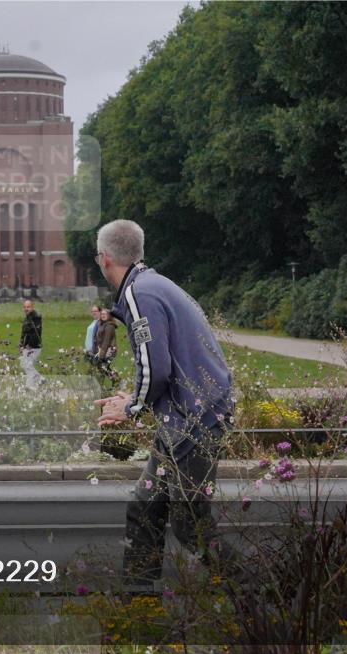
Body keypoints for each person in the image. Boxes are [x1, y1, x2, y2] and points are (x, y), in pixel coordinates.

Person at [91, 219, 233, 588]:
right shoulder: (156, 285)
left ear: (104, 259)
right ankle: (138, 605)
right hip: (186, 420)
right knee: (144, 508)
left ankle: (263, 594)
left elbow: (157, 366)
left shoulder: (140, 292)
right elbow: (168, 363)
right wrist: (137, 398)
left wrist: (133, 407)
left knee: (191, 527)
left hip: (194, 424)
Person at [19, 300, 44, 388]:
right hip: (26, 347)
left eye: (28, 307)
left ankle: (30, 387)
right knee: (23, 364)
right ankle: (40, 379)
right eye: (25, 307)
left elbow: (35, 332)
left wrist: (29, 345)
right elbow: (23, 334)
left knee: (28, 366)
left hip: (34, 347)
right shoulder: (27, 318)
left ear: (32, 307)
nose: (26, 309)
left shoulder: (36, 318)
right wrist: (21, 345)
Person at [92, 308, 119, 383]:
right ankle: (112, 381)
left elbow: (106, 341)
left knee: (103, 367)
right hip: (103, 349)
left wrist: (102, 354)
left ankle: (116, 380)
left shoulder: (109, 326)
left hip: (109, 350)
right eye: (102, 314)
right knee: (102, 367)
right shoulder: (102, 324)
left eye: (105, 314)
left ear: (109, 315)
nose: (103, 316)